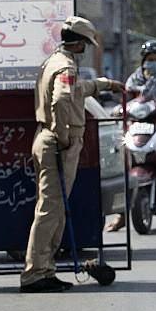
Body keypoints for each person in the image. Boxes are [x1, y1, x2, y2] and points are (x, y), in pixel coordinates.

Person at [20, 17, 123, 293]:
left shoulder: (55, 61)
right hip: (58, 143)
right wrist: (63, 136)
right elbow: (62, 99)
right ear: (79, 43)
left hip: (49, 140)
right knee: (50, 210)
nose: (85, 49)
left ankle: (44, 268)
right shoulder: (65, 65)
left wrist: (105, 84)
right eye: (85, 45)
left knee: (53, 208)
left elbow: (76, 90)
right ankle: (35, 273)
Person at [105, 41, 156, 245]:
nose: (151, 64)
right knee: (121, 166)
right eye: (148, 60)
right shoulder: (134, 78)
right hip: (136, 127)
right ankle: (121, 215)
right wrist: (120, 109)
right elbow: (126, 99)